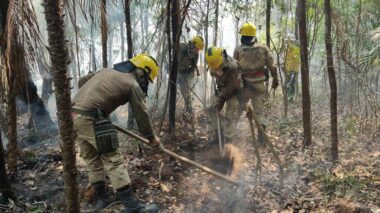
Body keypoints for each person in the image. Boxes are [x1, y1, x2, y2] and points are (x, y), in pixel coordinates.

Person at [72, 54, 160, 212]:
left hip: (73, 116)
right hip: (91, 118)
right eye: (147, 79)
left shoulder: (106, 71)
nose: (145, 83)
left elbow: (83, 81)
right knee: (113, 160)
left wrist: (93, 104)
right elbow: (141, 114)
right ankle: (132, 207)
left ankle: (103, 199)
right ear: (143, 72)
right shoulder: (132, 84)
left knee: (92, 159)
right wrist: (152, 138)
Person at [233, 22, 279, 145]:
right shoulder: (263, 48)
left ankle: (230, 135)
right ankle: (262, 137)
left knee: (236, 109)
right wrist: (276, 79)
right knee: (259, 112)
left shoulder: (238, 49)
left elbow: (234, 68)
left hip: (245, 86)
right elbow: (272, 66)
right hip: (259, 85)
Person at [205, 46, 243, 144]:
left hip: (235, 91)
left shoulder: (233, 66)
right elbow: (217, 80)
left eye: (218, 65)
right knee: (211, 108)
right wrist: (218, 98)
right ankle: (218, 136)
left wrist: (221, 97)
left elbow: (233, 86)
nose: (216, 68)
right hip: (221, 89)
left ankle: (229, 142)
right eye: (214, 67)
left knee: (230, 114)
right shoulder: (212, 64)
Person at [177, 36, 204, 114]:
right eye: (197, 49)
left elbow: (193, 68)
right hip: (178, 73)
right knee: (180, 91)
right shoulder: (183, 48)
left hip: (187, 74)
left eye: (198, 50)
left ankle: (189, 109)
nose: (197, 51)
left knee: (187, 92)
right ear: (193, 45)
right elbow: (177, 63)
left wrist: (189, 80)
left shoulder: (196, 55)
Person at [284, 38, 300, 102]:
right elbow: (286, 40)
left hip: (295, 70)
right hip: (289, 69)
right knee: (288, 83)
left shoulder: (298, 50)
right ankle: (287, 98)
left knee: (292, 84)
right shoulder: (289, 48)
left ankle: (290, 99)